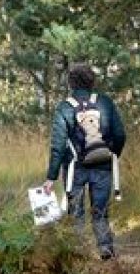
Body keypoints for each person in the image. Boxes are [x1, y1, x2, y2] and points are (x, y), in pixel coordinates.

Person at [42, 62, 127, 260]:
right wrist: (111, 154)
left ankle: (80, 256)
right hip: (103, 166)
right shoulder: (105, 102)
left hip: (75, 169)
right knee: (101, 212)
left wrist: (51, 177)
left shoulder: (65, 107)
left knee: (77, 214)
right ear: (92, 82)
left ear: (71, 83)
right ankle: (106, 252)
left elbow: (58, 145)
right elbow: (120, 134)